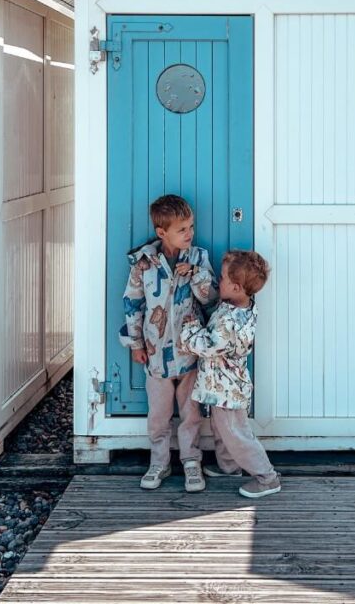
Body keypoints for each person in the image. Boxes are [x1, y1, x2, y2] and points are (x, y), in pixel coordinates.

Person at [119, 194, 217, 492]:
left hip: (189, 354)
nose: (189, 233)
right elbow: (133, 303)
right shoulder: (144, 263)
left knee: (191, 413)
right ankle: (159, 462)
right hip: (156, 354)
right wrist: (135, 343)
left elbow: (211, 299)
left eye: (191, 226)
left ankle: (191, 461)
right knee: (159, 416)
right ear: (162, 232)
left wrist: (197, 275)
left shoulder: (198, 257)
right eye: (182, 229)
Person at [180, 250, 281, 499]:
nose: (219, 282)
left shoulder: (230, 322)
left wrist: (190, 330)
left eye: (223, 278)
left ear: (236, 287)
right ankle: (229, 468)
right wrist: (197, 277)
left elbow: (209, 346)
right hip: (224, 387)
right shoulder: (241, 307)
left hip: (226, 390)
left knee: (236, 435)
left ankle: (267, 477)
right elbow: (214, 300)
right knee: (223, 430)